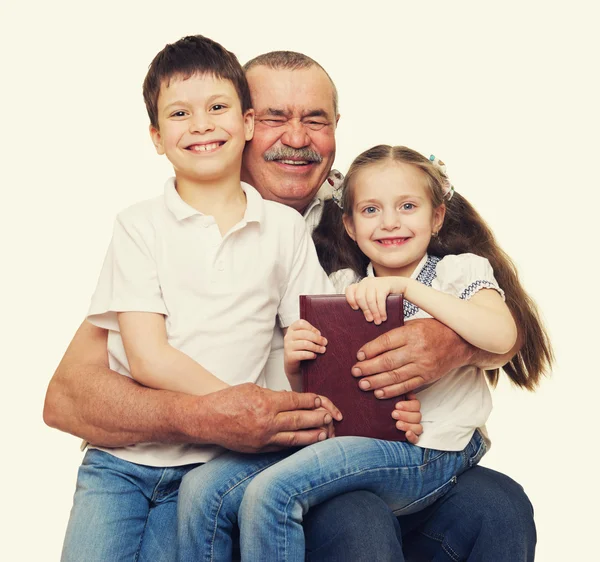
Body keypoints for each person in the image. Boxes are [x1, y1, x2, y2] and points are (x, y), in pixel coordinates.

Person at [43, 47, 536, 562]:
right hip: (249, 460)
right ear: (247, 122)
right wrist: (212, 414)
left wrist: (449, 343)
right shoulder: (167, 228)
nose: (297, 138)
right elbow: (68, 396)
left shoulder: (377, 208)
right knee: (349, 518)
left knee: (498, 506)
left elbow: (510, 333)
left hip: (376, 447)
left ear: (337, 126)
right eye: (276, 117)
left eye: (315, 120)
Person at [178, 146, 552, 561]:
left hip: (431, 449)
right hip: (354, 442)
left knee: (274, 492)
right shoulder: (342, 287)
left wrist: (408, 289)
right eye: (371, 210)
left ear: (437, 216)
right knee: (203, 489)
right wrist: (297, 362)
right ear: (351, 226)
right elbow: (327, 391)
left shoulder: (458, 272)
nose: (390, 222)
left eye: (407, 206)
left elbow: (502, 336)